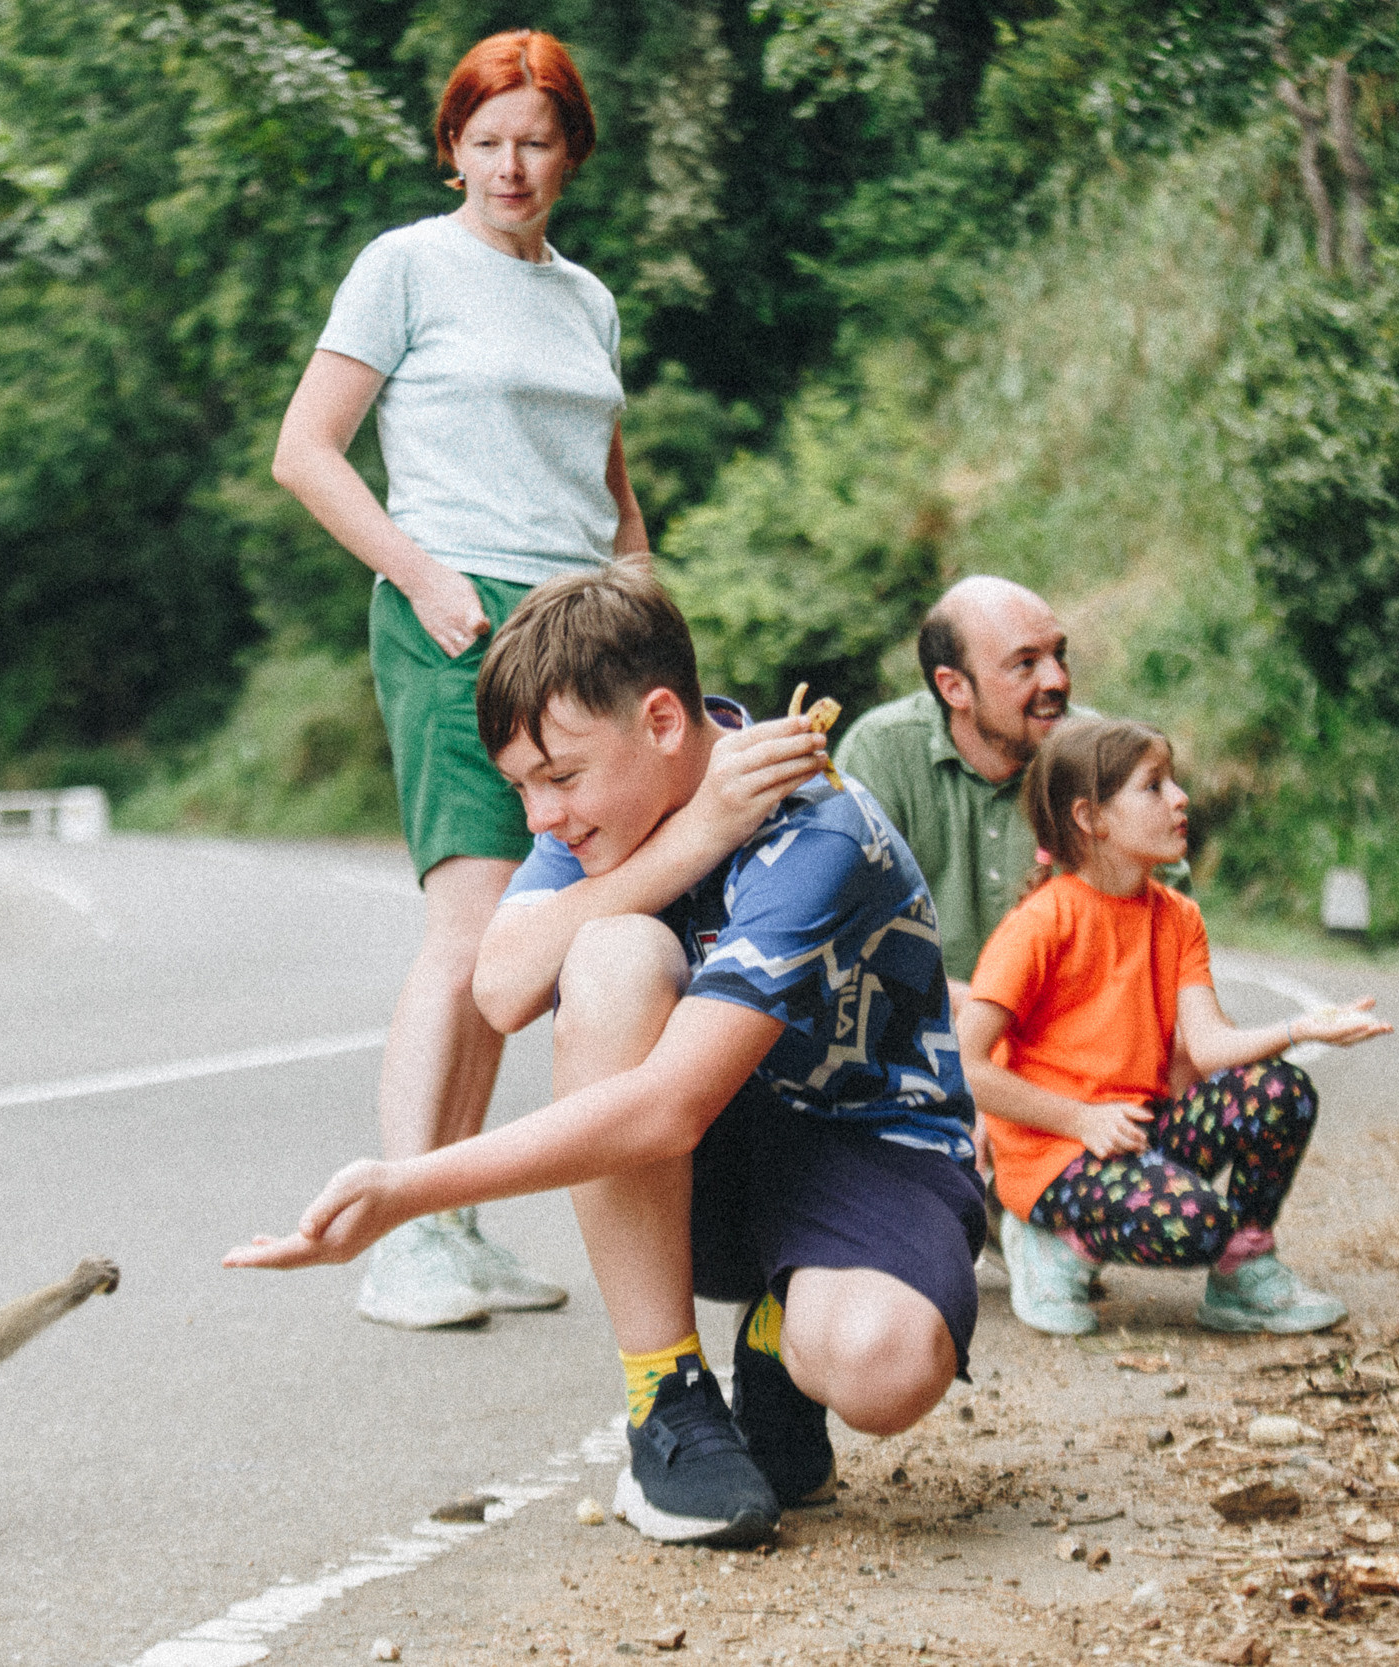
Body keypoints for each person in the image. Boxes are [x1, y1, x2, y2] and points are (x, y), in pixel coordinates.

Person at [228, 569, 983, 1549]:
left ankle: (774, 1343)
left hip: (864, 1148)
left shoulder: (816, 825)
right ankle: (664, 1395)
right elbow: (500, 989)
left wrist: (408, 1185)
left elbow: (665, 1106)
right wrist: (694, 836)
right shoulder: (602, 816)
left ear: (662, 719)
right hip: (704, 1172)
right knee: (611, 951)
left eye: (560, 777)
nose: (540, 816)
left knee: (883, 1367)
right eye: (521, 788)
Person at [268, 29, 650, 1331]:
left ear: (570, 151)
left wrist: (645, 614)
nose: (510, 164)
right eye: (485, 141)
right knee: (470, 924)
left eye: (535, 139)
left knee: (525, 943)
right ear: (452, 150)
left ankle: (454, 1216)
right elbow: (307, 452)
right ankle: (397, 1234)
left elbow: (608, 484)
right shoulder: (405, 268)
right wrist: (426, 578)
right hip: (455, 618)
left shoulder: (587, 299)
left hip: (581, 631)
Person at [956, 715, 1392, 1337]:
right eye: (1154, 786)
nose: (1180, 798)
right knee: (1199, 1225)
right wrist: (1082, 1120)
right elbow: (965, 1067)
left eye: (1173, 782)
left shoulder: (1178, 916)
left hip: (1138, 1134)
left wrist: (1303, 1027)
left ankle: (1244, 1270)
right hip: (1056, 1158)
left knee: (1280, 1091)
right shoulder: (1040, 923)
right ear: (1091, 818)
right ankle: (1053, 1241)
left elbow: (1211, 1046)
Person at [831, 576, 1073, 1009]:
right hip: (918, 1028)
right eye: (1026, 663)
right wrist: (987, 1016)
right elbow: (846, 930)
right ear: (954, 688)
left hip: (1067, 1037)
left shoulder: (1097, 756)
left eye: (1060, 655)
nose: (1056, 679)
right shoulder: (881, 751)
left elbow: (1162, 929)